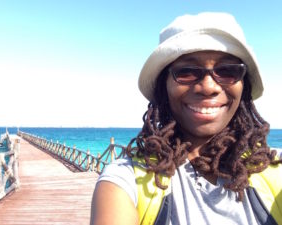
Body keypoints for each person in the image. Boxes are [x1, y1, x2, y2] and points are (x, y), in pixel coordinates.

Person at [90, 12, 282, 225]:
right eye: (187, 72)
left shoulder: (275, 170)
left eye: (227, 71)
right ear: (164, 86)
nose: (209, 87)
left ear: (243, 86)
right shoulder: (127, 180)